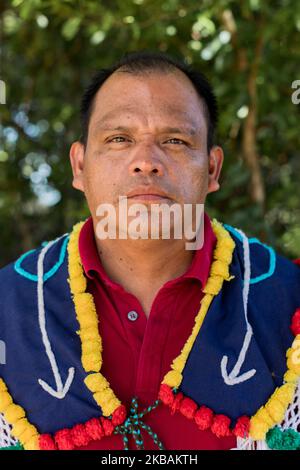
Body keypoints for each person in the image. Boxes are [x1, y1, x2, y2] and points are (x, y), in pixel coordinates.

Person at [0, 51, 300, 451]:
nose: (145, 162)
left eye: (174, 140)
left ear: (212, 169)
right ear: (79, 165)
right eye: (119, 139)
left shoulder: (289, 299)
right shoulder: (8, 305)